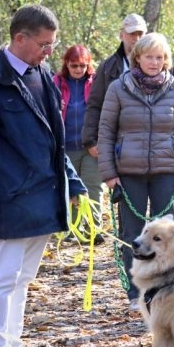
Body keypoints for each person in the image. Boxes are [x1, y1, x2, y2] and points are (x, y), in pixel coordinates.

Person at [0, 4, 87, 347]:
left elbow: (55, 141)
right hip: (8, 202)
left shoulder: (42, 74)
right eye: (44, 44)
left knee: (22, 279)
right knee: (2, 278)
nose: (50, 51)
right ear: (21, 38)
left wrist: (74, 184)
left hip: (44, 200)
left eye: (53, 44)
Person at [98, 32, 174, 311]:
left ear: (166, 61)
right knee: (134, 233)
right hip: (128, 172)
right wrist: (109, 173)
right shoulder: (118, 88)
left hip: (168, 169)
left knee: (170, 232)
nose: (155, 62)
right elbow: (105, 132)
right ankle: (137, 292)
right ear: (137, 57)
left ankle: (172, 287)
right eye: (149, 56)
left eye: (160, 57)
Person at [53, 44, 104, 244]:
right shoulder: (56, 82)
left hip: (91, 145)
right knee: (71, 189)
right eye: (74, 65)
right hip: (66, 145)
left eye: (82, 66)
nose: (78, 70)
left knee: (92, 186)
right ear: (67, 63)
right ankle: (72, 229)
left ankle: (94, 228)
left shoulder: (95, 83)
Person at [82, 13, 148, 155]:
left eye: (140, 34)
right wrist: (91, 140)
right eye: (132, 34)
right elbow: (95, 104)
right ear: (121, 35)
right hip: (119, 141)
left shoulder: (161, 63)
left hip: (153, 141)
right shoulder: (107, 67)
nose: (136, 39)